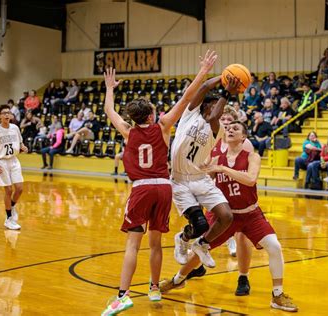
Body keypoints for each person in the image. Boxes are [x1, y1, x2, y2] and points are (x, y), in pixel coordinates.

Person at [101, 51, 218, 315]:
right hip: (164, 187)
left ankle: (123, 295)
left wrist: (110, 88)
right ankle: (153, 287)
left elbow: (109, 109)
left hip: (142, 188)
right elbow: (187, 96)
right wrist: (203, 70)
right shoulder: (164, 125)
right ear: (151, 116)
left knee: (133, 244)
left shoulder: (128, 130)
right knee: (155, 243)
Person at [159, 121, 298, 312]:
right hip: (225, 217)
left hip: (251, 214)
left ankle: (277, 294)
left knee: (274, 246)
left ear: (244, 137)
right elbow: (201, 180)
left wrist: (223, 170)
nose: (230, 130)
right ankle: (177, 280)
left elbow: (250, 180)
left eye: (236, 129)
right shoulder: (214, 157)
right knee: (199, 250)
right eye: (229, 128)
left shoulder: (252, 157)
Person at [171, 73, 240, 269]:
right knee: (200, 225)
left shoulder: (217, 128)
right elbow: (203, 88)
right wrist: (224, 76)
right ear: (203, 106)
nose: (216, 109)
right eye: (212, 104)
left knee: (226, 216)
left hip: (199, 178)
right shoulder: (189, 115)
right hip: (179, 180)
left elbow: (214, 116)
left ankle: (202, 245)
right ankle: (183, 239)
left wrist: (227, 92)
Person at [211, 106, 254, 258]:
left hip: (236, 188)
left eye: (230, 120)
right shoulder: (211, 140)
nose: (226, 122)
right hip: (216, 188)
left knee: (234, 219)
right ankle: (200, 250)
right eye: (223, 119)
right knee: (211, 221)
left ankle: (231, 242)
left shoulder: (244, 143)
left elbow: (249, 169)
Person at [0, 104, 28, 230]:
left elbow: (20, 142)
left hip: (14, 160)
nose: (7, 115)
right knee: (9, 190)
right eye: (4, 113)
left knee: (20, 188)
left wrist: (23, 147)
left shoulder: (15, 128)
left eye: (8, 112)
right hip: (2, 162)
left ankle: (12, 206)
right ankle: (9, 219)